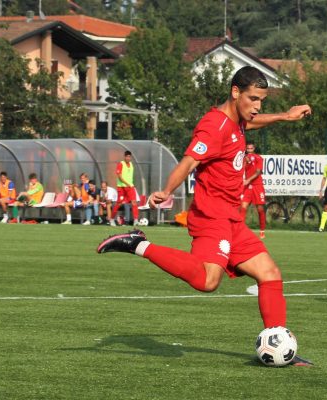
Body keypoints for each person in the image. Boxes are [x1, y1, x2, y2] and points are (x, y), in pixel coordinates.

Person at [96, 66, 313, 366]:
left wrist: (284, 116)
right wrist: (167, 190)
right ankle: (137, 244)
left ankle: (280, 349)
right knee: (208, 281)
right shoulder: (214, 126)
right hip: (212, 217)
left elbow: (252, 123)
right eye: (253, 99)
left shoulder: (238, 121)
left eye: (262, 100)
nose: (258, 106)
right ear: (235, 92)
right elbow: (189, 161)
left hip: (232, 220)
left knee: (270, 274)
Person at [240, 142, 267, 239]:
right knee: (243, 207)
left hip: (257, 186)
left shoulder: (258, 158)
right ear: (246, 149)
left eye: (251, 148)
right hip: (248, 187)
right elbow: (241, 170)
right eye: (248, 149)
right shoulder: (244, 158)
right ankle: (241, 231)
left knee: (260, 209)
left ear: (254, 149)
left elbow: (258, 172)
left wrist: (248, 180)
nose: (249, 150)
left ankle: (262, 231)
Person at [110, 151, 139, 226]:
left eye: (129, 156)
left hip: (130, 187)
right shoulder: (121, 164)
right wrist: (126, 183)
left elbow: (130, 177)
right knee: (118, 204)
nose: (128, 158)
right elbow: (119, 176)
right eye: (127, 156)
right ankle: (112, 219)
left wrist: (130, 184)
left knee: (134, 202)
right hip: (122, 187)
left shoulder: (131, 165)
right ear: (124, 157)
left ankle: (136, 220)